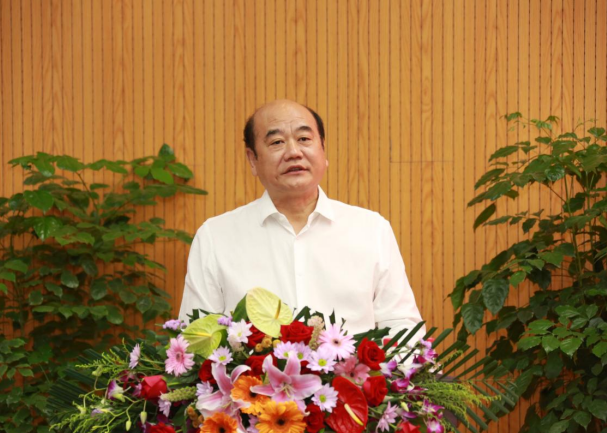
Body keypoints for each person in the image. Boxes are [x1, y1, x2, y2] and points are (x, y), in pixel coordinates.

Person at [178, 99, 424, 336]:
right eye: (277, 142)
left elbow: (401, 325)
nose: (294, 152)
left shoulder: (371, 229)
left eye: (304, 139)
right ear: (253, 160)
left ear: (323, 149)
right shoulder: (215, 236)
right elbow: (196, 335)